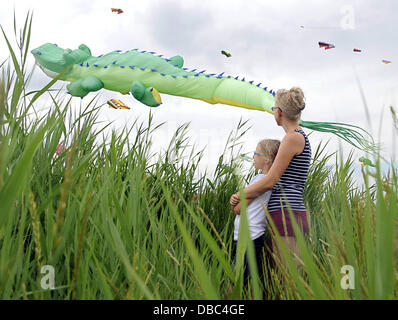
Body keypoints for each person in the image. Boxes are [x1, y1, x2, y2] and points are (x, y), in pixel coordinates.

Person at [230, 87, 311, 268]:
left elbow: (270, 180)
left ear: (280, 113)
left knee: (287, 277)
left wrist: (240, 194)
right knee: (279, 276)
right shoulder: (294, 138)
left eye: (274, 109)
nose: (274, 112)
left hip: (287, 212)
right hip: (284, 213)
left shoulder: (292, 138)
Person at [231, 138, 280, 288]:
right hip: (252, 236)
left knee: (236, 280)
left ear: (267, 159)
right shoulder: (268, 180)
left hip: (248, 237)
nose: (253, 156)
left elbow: (239, 209)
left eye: (256, 153)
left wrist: (234, 201)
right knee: (247, 280)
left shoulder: (260, 180)